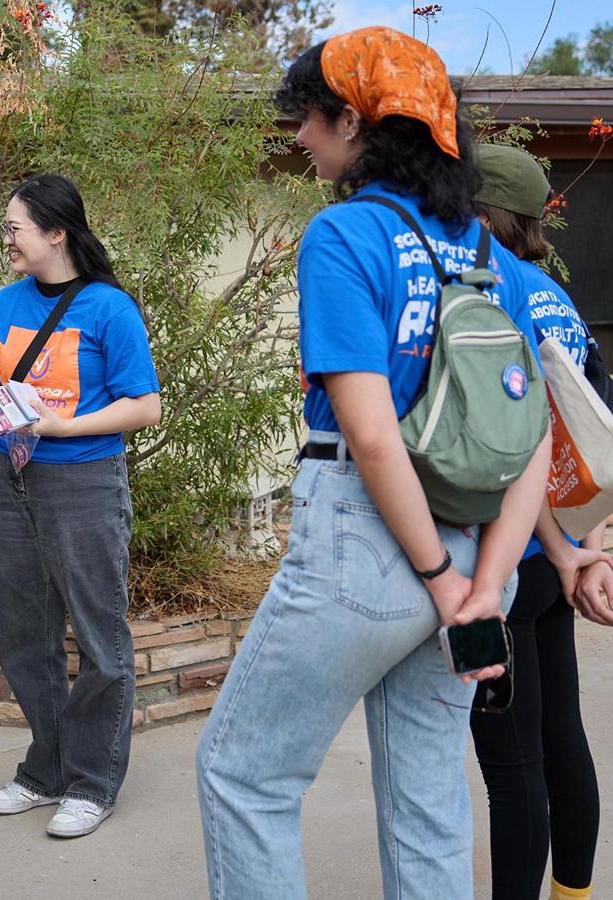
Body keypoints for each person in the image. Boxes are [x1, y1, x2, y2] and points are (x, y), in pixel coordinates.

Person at [194, 27, 552, 899]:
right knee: (428, 802)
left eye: (307, 119)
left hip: (369, 544)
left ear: (353, 121)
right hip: (482, 555)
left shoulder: (345, 235)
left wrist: (437, 579)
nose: (299, 137)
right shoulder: (492, 258)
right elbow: (534, 438)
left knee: (244, 773)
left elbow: (375, 435)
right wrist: (481, 589)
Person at [0, 174, 160, 838]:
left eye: (15, 228)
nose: (6, 239)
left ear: (55, 232)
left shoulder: (108, 308)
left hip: (84, 485)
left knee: (101, 640)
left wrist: (63, 426)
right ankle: (47, 769)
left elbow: (145, 406)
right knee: (24, 640)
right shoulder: (4, 304)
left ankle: (93, 782)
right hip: (11, 485)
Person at [468, 144, 613, 900]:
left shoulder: (490, 288)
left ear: (479, 212)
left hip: (511, 554)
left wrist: (560, 550)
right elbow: (595, 432)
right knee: (564, 739)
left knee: (512, 764)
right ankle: (575, 894)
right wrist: (592, 550)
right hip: (561, 555)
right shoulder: (558, 296)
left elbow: (512, 434)